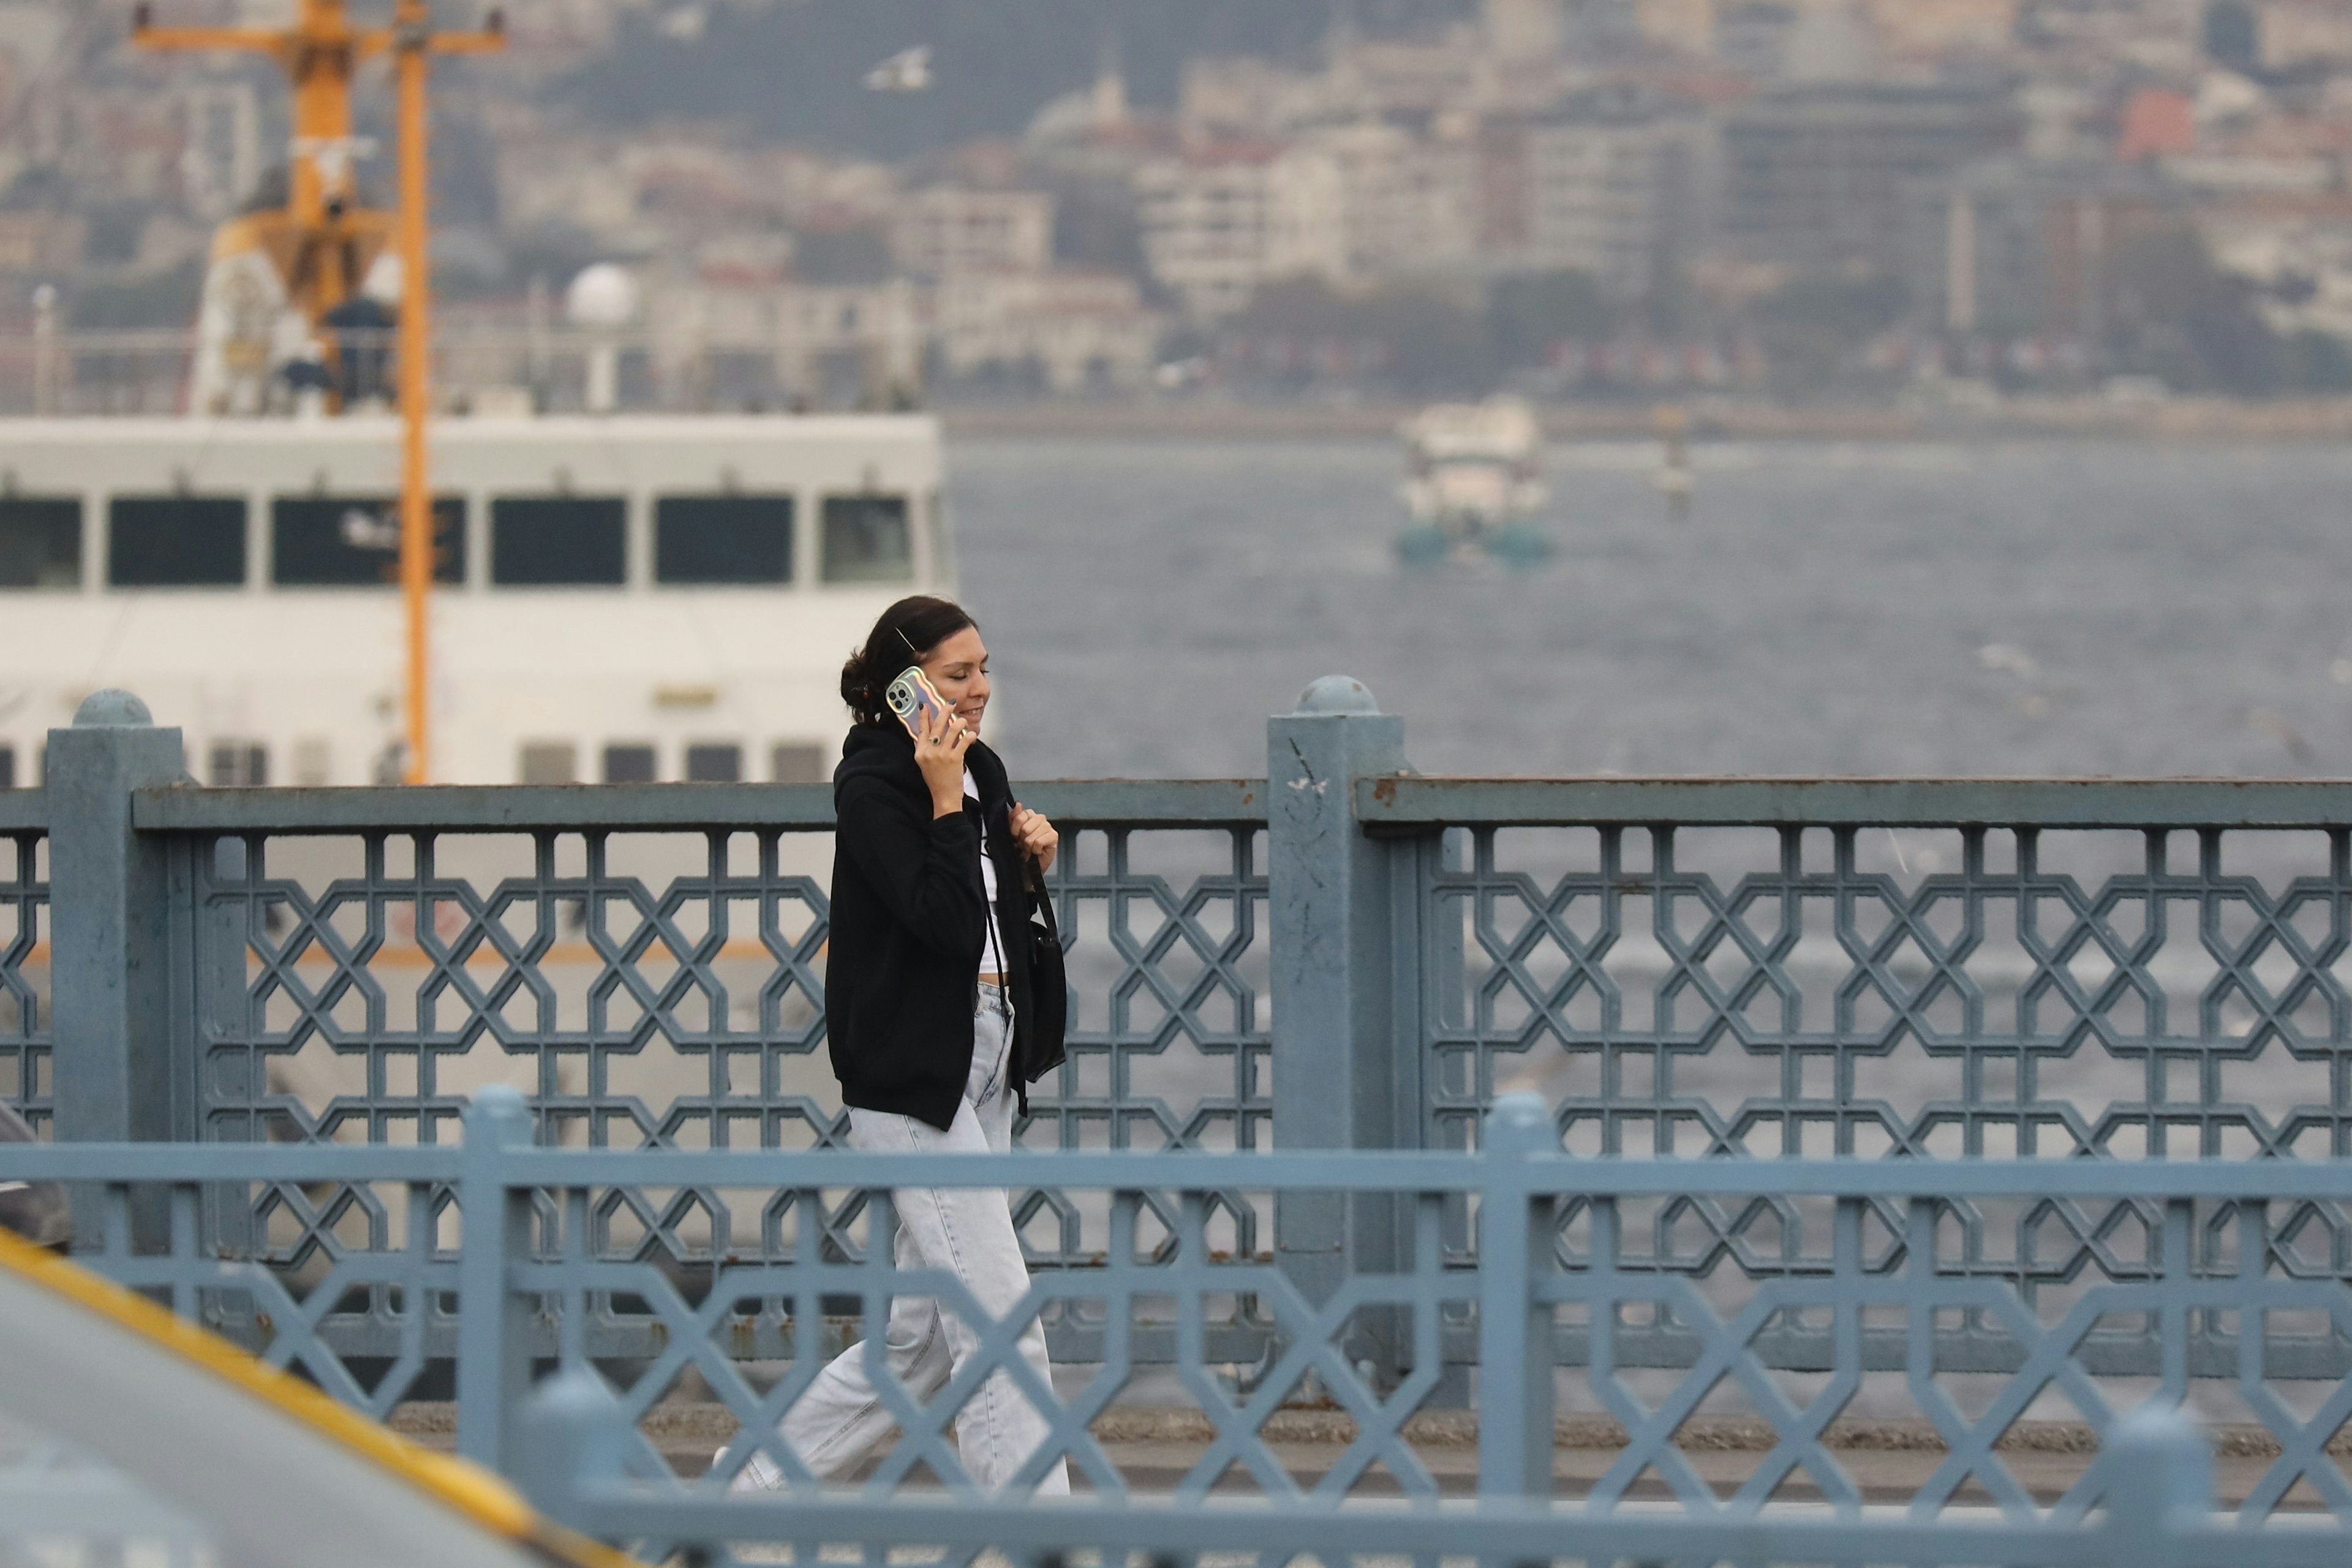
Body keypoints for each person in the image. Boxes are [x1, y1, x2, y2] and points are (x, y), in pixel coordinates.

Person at [731, 594, 1069, 1496]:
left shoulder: (982, 771)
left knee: (918, 1346)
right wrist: (947, 802)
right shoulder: (876, 784)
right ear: (901, 687)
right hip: (909, 1078)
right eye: (957, 676)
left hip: (986, 1056)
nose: (979, 692)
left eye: (985, 671)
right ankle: (1037, 1545)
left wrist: (1027, 851)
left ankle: (744, 1495)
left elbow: (990, 921)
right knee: (1000, 1318)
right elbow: (940, 924)